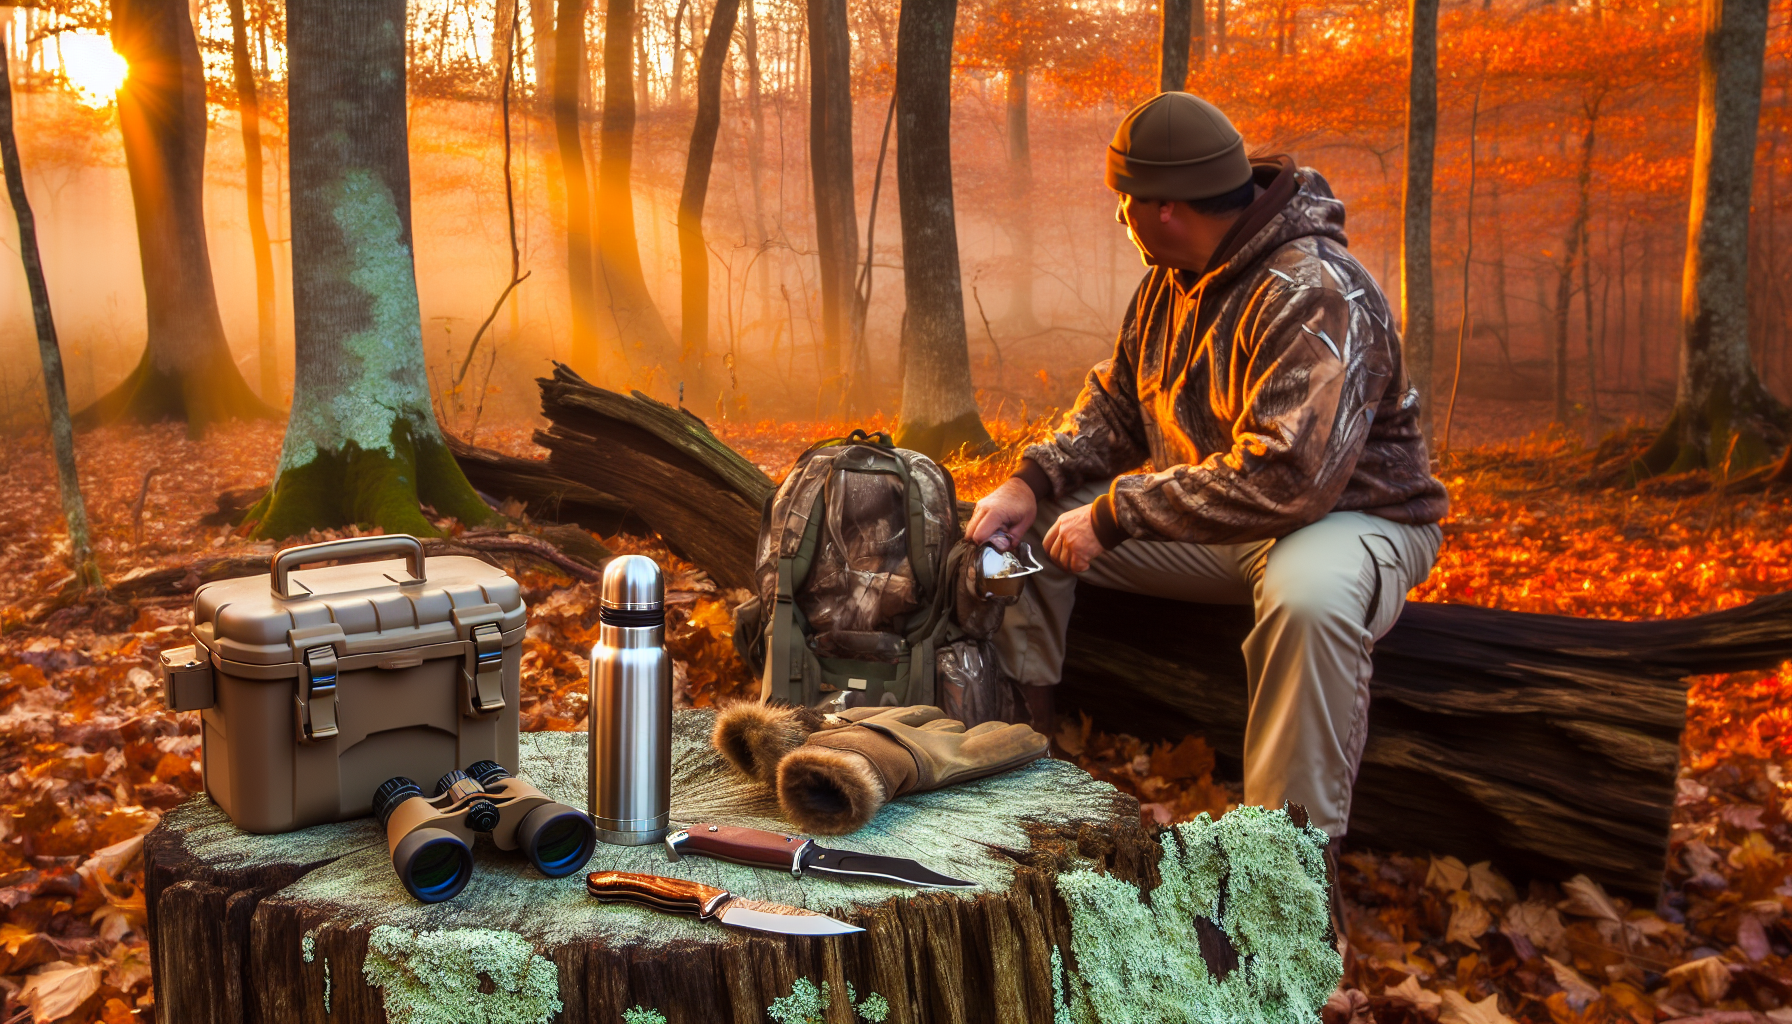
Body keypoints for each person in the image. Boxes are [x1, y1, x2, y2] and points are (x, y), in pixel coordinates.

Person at [967, 92, 1449, 848]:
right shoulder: (1169, 282)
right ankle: (1023, 765)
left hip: (1350, 518)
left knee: (1311, 600)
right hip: (1214, 512)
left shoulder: (1318, 289)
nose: (1120, 220)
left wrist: (1116, 514)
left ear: (1162, 209)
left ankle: (1285, 871)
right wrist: (1031, 481)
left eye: (1124, 204)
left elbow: (1292, 479)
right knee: (1021, 541)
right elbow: (1117, 406)